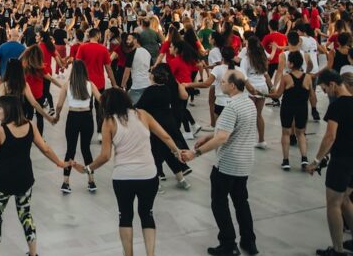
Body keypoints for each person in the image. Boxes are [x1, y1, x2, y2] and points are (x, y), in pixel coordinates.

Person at [74, 88, 182, 256]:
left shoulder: (109, 122)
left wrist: (87, 169)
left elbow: (104, 156)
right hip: (148, 175)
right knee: (147, 214)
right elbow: (166, 137)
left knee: (125, 216)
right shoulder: (142, 115)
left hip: (123, 177)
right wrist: (178, 152)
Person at [0, 95, 68, 256]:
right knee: (26, 215)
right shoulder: (30, 125)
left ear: (7, 110)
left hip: (2, 182)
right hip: (24, 179)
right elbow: (45, 148)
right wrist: (59, 162)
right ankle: (33, 253)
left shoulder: (0, 131)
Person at [181, 70, 259, 256]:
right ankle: (249, 242)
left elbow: (223, 137)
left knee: (219, 203)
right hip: (245, 163)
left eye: (222, 81)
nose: (220, 84)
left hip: (227, 164)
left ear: (232, 85)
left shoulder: (232, 107)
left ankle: (228, 243)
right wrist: (209, 135)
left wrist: (195, 153)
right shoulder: (249, 104)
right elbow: (231, 130)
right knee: (241, 202)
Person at [306, 69, 353, 256]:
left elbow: (330, 136)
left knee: (333, 203)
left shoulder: (337, 106)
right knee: (345, 200)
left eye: (325, 90)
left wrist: (317, 160)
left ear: (332, 84)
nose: (326, 93)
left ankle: (338, 249)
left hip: (342, 160)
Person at [135, 65, 193, 190]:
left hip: (156, 125)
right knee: (168, 151)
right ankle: (181, 179)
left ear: (153, 76)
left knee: (154, 153)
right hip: (169, 123)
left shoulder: (150, 90)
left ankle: (156, 183)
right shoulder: (166, 89)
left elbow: (139, 106)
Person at [55, 60, 100, 194]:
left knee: (70, 149)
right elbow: (101, 100)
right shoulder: (91, 85)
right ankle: (91, 181)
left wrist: (56, 116)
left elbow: (59, 105)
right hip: (87, 118)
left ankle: (66, 182)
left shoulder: (67, 85)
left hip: (73, 117)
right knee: (86, 149)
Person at [267, 51, 315, 170]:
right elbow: (312, 95)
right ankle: (304, 159)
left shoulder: (286, 77)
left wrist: (265, 95)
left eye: (288, 61)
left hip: (288, 107)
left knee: (286, 133)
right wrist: (313, 108)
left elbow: (278, 95)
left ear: (292, 64)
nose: (286, 63)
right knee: (301, 134)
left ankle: (286, 161)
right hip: (302, 108)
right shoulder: (308, 77)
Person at [122, 32, 151, 105]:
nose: (127, 41)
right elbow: (151, 68)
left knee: (131, 107)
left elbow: (127, 72)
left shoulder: (131, 54)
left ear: (135, 40)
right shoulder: (147, 52)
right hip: (147, 84)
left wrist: (123, 84)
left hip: (137, 86)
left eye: (129, 39)